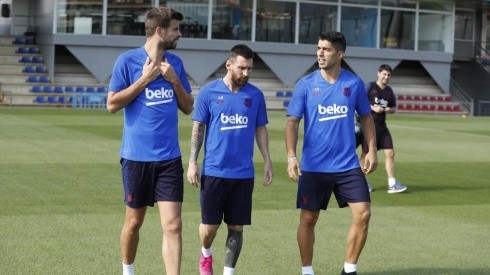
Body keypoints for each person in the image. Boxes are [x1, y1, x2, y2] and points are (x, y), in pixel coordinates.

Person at [106, 7, 194, 275]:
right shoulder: (126, 61)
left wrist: (174, 80)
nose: (179, 34)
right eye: (175, 29)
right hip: (136, 157)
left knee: (174, 225)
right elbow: (111, 104)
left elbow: (189, 107)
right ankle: (128, 270)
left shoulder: (175, 63)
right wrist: (146, 79)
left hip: (169, 158)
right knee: (134, 222)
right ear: (160, 31)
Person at [285, 31, 378, 275]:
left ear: (340, 53)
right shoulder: (305, 84)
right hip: (314, 167)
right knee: (308, 219)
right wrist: (291, 156)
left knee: (364, 213)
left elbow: (367, 117)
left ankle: (349, 269)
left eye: (326, 49)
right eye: (318, 48)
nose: (320, 53)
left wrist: (371, 149)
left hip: (347, 166)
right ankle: (307, 271)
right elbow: (292, 122)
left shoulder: (354, 83)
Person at [187, 44, 274, 275]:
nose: (246, 73)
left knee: (237, 227)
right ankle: (206, 254)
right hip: (214, 172)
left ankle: (228, 271)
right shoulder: (208, 92)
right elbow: (199, 127)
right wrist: (193, 162)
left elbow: (260, 128)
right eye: (242, 68)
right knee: (210, 228)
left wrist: (267, 160)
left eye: (250, 69)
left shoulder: (255, 95)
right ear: (229, 64)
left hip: (243, 174)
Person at [360, 64, 408, 194]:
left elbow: (393, 108)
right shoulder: (370, 87)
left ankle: (392, 184)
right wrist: (373, 107)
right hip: (369, 127)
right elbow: (359, 102)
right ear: (378, 73)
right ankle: (361, 182)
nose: (386, 77)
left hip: (382, 126)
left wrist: (389, 110)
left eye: (388, 75)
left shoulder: (389, 91)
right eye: (384, 74)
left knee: (390, 153)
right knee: (366, 154)